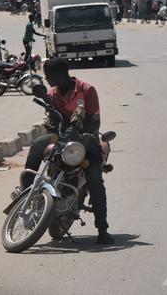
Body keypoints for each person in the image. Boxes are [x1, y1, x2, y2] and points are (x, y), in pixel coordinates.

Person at [19, 58, 115, 245]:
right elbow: (51, 115)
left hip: (84, 139)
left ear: (60, 74)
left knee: (95, 177)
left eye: (48, 75)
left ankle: (102, 229)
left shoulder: (87, 90)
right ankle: (27, 194)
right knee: (37, 145)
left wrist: (80, 129)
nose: (46, 79)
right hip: (59, 137)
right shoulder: (52, 93)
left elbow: (95, 121)